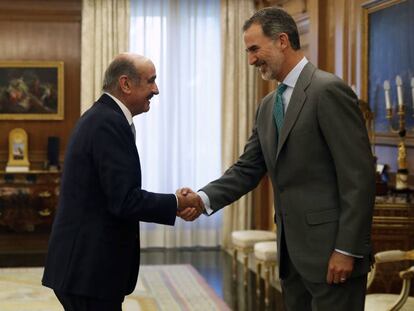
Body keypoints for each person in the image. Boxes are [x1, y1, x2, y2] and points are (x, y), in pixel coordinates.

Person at [179, 7, 375, 311]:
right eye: (248, 51)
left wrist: (347, 249)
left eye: (255, 49)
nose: (251, 59)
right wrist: (202, 198)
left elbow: (359, 178)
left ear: (282, 40)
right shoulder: (268, 105)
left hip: (333, 257)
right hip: (291, 258)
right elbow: (247, 169)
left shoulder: (328, 90)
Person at [42, 53, 202, 311]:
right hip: (89, 270)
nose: (156, 90)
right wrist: (177, 202)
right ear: (126, 84)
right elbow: (124, 200)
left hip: (86, 268)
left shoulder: (105, 117)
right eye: (151, 81)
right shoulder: (108, 123)